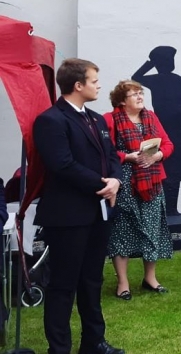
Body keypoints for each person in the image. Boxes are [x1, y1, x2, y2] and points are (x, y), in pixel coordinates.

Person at [33, 58, 125, 354]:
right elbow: (62, 164)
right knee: (63, 285)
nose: (98, 85)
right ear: (77, 85)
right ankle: (59, 349)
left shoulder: (97, 119)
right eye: (94, 80)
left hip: (98, 213)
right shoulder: (51, 120)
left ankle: (93, 342)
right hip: (67, 217)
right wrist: (103, 183)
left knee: (92, 280)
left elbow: (112, 155)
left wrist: (116, 180)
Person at [103, 80, 174, 301]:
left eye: (141, 92)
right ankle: (123, 283)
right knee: (122, 230)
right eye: (134, 94)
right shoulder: (110, 119)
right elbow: (105, 151)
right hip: (124, 182)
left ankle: (150, 278)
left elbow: (168, 144)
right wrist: (127, 157)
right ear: (122, 101)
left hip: (152, 182)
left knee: (152, 228)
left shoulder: (151, 117)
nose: (140, 96)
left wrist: (158, 156)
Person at [133, 46, 181, 215]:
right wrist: (151, 63)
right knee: (160, 169)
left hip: (175, 130)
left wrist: (150, 63)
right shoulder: (158, 80)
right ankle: (162, 209)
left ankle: (171, 209)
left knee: (175, 170)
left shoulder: (178, 80)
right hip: (161, 130)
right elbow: (136, 78)